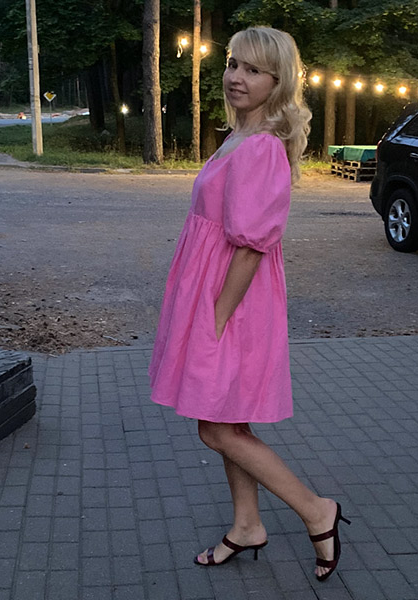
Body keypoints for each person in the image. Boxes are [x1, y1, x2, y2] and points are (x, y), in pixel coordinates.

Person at [149, 26, 350, 581]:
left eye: (253, 69)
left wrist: (214, 318)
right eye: (233, 63)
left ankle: (317, 511)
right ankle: (246, 526)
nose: (236, 76)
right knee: (227, 419)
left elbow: (250, 248)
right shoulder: (243, 135)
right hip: (218, 294)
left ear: (277, 81)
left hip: (232, 301)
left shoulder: (261, 148)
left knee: (215, 429)